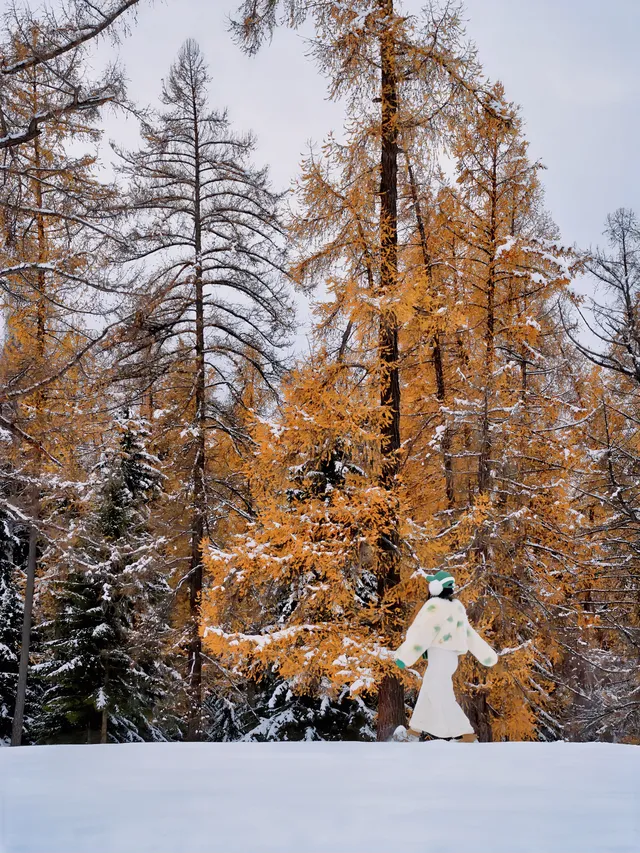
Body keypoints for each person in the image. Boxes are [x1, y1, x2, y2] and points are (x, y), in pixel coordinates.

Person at [393, 570, 498, 742]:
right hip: (450, 659)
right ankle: (414, 732)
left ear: (435, 588)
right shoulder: (456, 607)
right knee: (428, 692)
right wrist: (487, 655)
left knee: (441, 696)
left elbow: (422, 633)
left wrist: (405, 656)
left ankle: (467, 734)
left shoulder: (434, 606)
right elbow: (469, 634)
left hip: (439, 657)